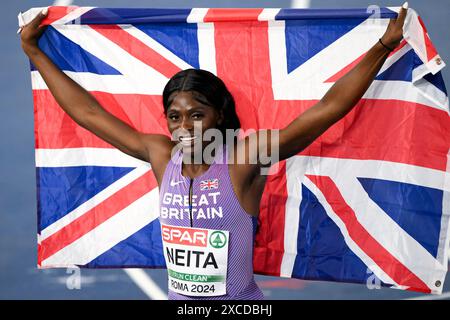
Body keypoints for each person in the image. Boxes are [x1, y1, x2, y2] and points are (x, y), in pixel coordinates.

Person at [20, 3, 407, 300]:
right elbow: (87, 113)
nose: (184, 127)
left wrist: (383, 46)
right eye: (174, 116)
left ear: (219, 116)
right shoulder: (160, 154)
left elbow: (328, 110)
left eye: (196, 115)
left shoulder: (243, 159)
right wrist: (34, 52)